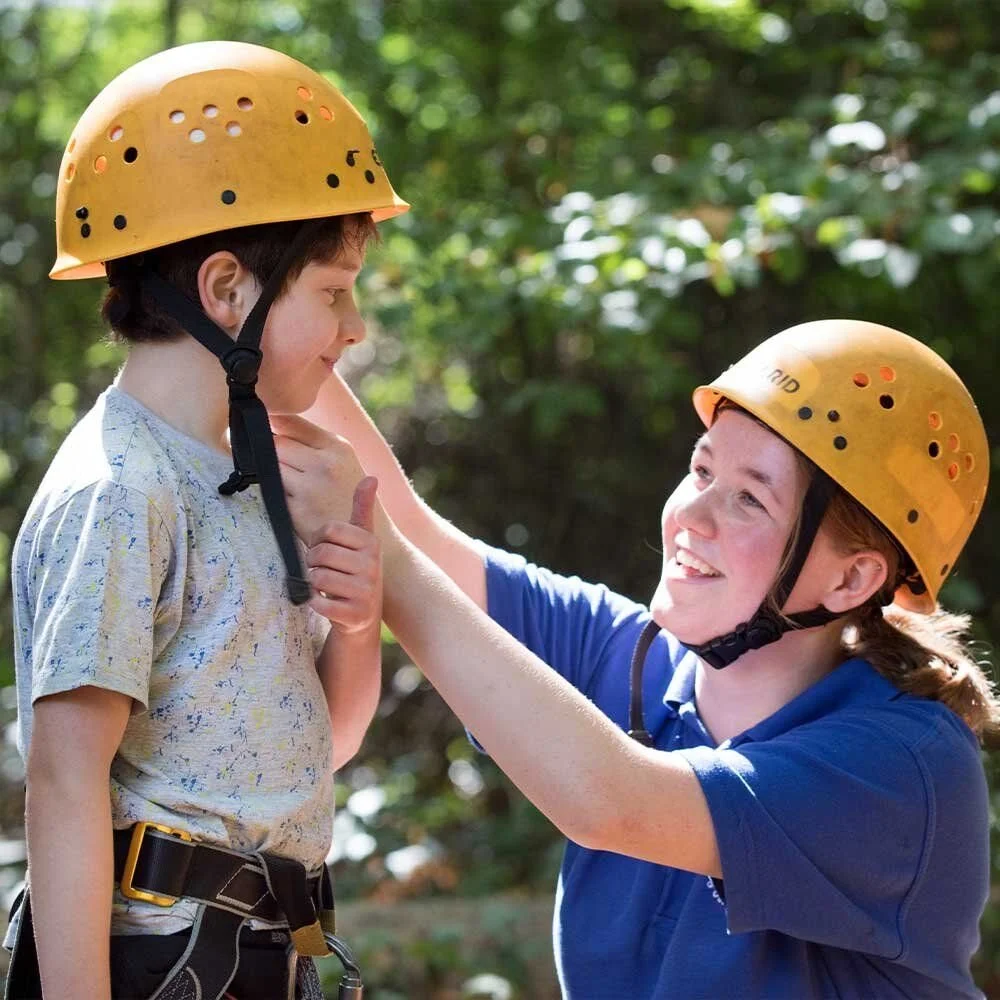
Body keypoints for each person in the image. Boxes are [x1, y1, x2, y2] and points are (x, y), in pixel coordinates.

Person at [274, 318, 996, 999]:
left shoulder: (904, 766)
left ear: (850, 580)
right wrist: (272, 324)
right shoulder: (634, 662)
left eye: (750, 500)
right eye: (703, 468)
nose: (691, 514)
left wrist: (381, 556)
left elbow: (610, 801)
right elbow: (413, 535)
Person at [7, 40, 407, 1000]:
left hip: (269, 956)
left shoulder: (253, 469)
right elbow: (66, 782)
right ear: (227, 291)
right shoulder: (119, 491)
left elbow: (325, 743)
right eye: (333, 292)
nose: (355, 328)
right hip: (158, 964)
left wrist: (356, 623)